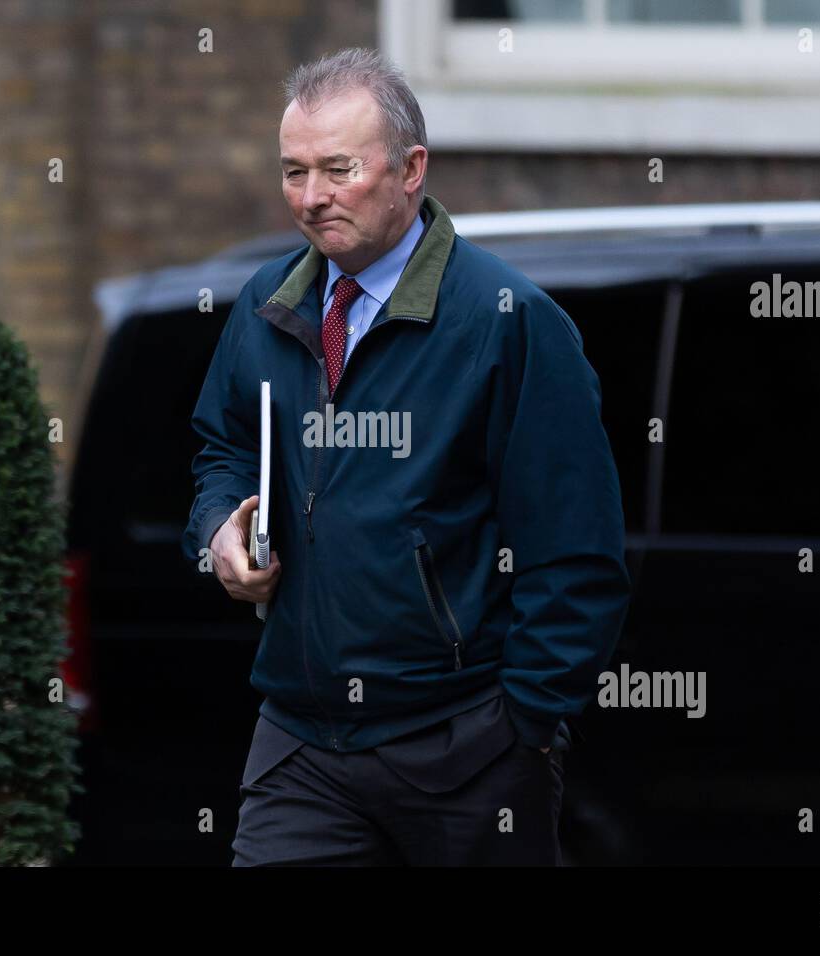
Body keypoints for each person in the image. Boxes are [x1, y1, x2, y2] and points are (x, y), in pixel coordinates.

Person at [181, 47, 631, 866]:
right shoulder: (266, 303)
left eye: (338, 170)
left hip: (464, 747)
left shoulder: (507, 322)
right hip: (302, 740)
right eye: (293, 173)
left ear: (411, 168)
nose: (312, 199)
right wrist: (218, 533)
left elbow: (578, 554)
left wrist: (522, 725)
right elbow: (224, 448)